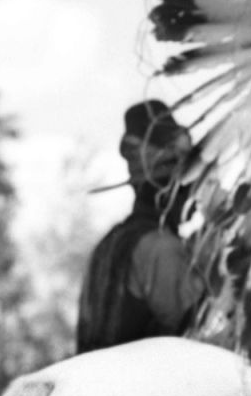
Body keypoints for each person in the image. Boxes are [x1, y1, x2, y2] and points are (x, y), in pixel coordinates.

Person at [75, 99, 203, 354]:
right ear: (168, 191)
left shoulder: (108, 245)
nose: (192, 201)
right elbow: (200, 338)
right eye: (186, 190)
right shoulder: (161, 248)